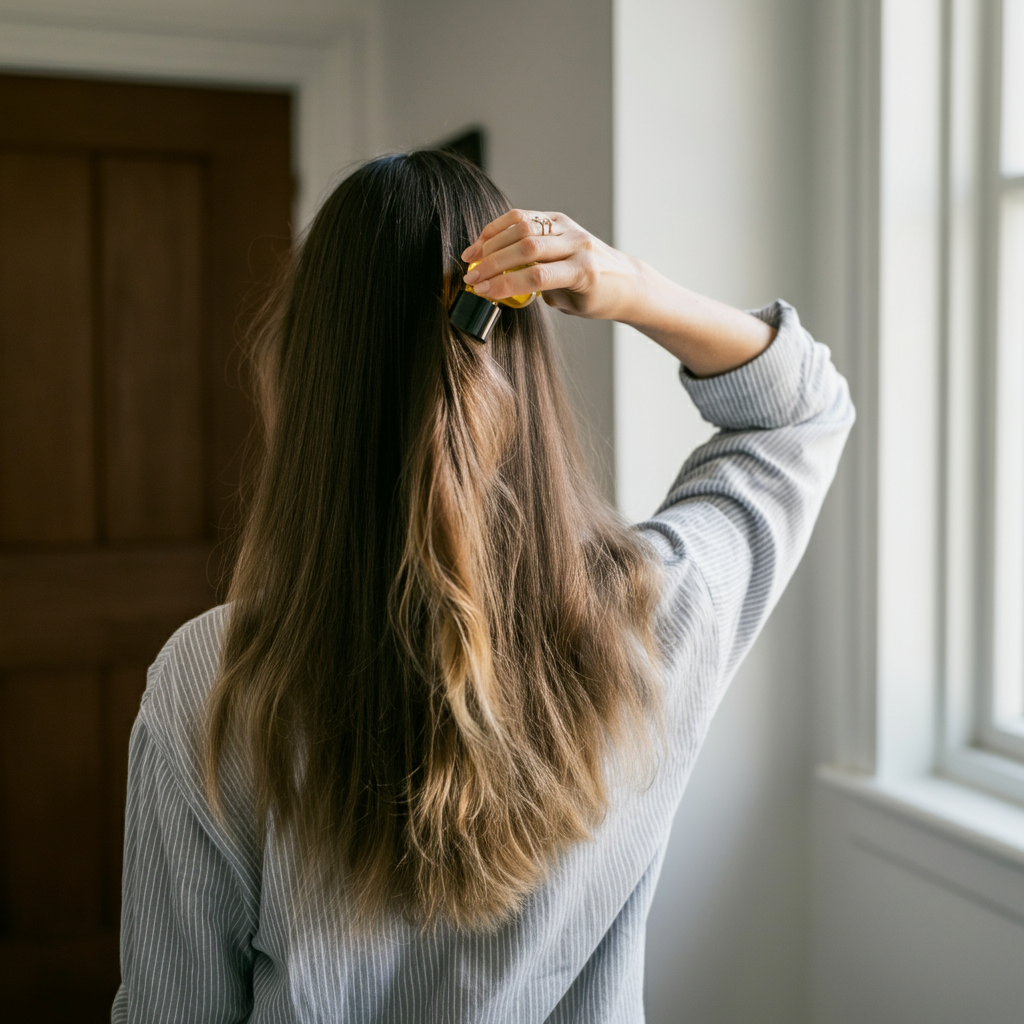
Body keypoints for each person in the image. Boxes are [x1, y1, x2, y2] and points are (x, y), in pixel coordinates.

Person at [112, 150, 853, 1022]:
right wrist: (630, 285)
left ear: (307, 376)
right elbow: (802, 409)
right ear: (529, 361)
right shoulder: (652, 619)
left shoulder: (217, 680)